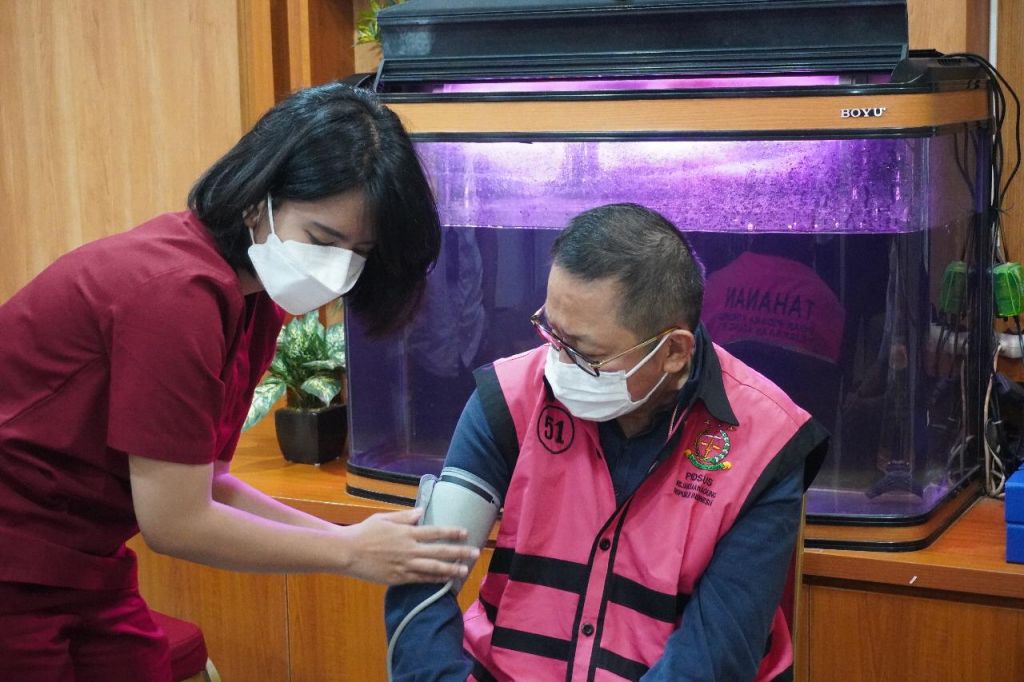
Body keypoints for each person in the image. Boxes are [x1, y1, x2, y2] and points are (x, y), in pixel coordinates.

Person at [0, 81, 477, 681]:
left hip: (82, 562)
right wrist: (349, 552)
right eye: (323, 240)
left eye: (360, 251)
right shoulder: (172, 295)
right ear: (258, 200)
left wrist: (354, 537)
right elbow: (176, 523)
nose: (338, 268)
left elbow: (213, 482)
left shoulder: (252, 302)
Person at [385, 203, 829, 681]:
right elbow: (423, 582)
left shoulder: (765, 443)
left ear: (674, 351)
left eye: (587, 353)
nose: (558, 364)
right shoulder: (510, 398)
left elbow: (714, 657)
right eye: (552, 333)